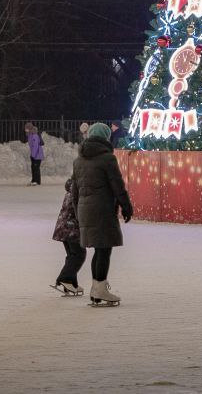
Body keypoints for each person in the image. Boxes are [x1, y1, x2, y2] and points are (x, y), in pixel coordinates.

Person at [71, 123, 133, 306]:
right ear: (106, 138)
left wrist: (77, 212)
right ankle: (99, 288)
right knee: (104, 249)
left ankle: (97, 288)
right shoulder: (107, 159)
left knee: (99, 249)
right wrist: (126, 206)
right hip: (102, 208)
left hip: (84, 209)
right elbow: (117, 185)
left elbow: (74, 191)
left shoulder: (78, 160)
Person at [51, 178, 85, 296]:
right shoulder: (79, 191)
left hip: (63, 227)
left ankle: (71, 283)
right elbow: (80, 211)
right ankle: (65, 279)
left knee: (72, 255)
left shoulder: (72, 189)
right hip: (72, 228)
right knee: (79, 255)